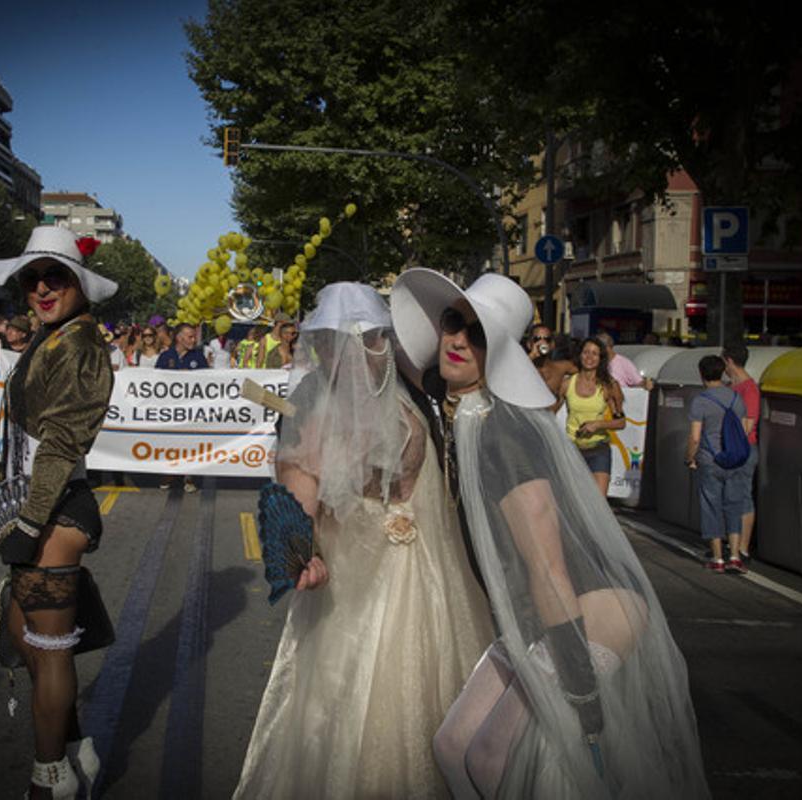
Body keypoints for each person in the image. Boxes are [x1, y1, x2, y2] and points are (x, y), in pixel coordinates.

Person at [391, 269, 709, 799]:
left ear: (499, 350)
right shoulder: (462, 413)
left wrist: (581, 692)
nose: (457, 340)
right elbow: (403, 368)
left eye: (477, 333)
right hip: (535, 615)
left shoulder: (502, 433)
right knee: (452, 747)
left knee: (491, 754)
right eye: (452, 321)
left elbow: (546, 564)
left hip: (586, 610)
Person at [234, 283, 493, 799]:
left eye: (373, 340)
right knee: (350, 701)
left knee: (433, 695)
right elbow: (297, 487)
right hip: (355, 578)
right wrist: (301, 553)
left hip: (429, 568)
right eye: (340, 342)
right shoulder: (310, 401)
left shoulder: (413, 388)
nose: (358, 353)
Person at [0, 225, 118, 799]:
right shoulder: (56, 336)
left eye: (55, 276)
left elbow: (63, 442)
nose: (41, 288)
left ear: (79, 285)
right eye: (32, 278)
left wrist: (28, 522)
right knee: (25, 637)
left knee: (47, 648)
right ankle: (74, 748)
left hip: (57, 507)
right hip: (44, 502)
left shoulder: (82, 345)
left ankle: (50, 780)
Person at [685, 354, 749, 574]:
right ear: (722, 372)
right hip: (735, 459)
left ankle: (718, 558)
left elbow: (695, 437)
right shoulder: (735, 398)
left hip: (710, 460)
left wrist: (689, 458)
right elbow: (743, 429)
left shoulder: (700, 401)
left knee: (711, 506)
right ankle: (735, 556)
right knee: (734, 506)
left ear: (701, 374)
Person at [557, 338, 626, 496]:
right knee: (574, 502)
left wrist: (598, 425)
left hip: (599, 450)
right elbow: (550, 413)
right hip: (573, 451)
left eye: (595, 354)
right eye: (586, 352)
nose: (589, 357)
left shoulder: (609, 385)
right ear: (580, 355)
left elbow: (621, 422)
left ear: (601, 358)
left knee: (599, 505)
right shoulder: (567, 384)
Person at [156, 322, 208, 493]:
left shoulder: (199, 357)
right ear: (179, 338)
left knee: (190, 442)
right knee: (169, 442)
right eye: (190, 336)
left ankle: (189, 476)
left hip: (191, 410)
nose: (194, 340)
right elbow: (154, 381)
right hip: (170, 410)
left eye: (194, 336)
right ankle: (168, 474)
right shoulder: (165, 357)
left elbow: (209, 381)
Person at [722, 343, 760, 561]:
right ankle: (732, 545)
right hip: (730, 449)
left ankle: (743, 548)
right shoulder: (731, 387)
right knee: (731, 496)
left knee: (743, 497)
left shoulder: (749, 388)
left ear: (729, 361)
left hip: (742, 450)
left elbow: (749, 423)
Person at [535, 333, 577, 399]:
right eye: (536, 339)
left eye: (547, 339)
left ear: (552, 345)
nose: (542, 343)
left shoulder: (562, 367)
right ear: (529, 343)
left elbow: (588, 370)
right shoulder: (522, 366)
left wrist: (567, 383)